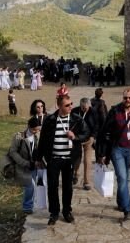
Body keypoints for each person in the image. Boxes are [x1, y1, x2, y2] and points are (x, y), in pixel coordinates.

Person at [34, 94, 89, 226]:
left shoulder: (76, 119)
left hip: (69, 159)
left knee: (67, 187)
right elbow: (42, 140)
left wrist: (75, 137)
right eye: (67, 105)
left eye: (71, 104)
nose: (71, 107)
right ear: (59, 106)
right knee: (52, 187)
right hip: (53, 159)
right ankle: (54, 213)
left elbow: (86, 133)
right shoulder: (50, 120)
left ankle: (67, 211)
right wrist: (38, 157)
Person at [96, 88, 130, 221]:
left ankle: (120, 202)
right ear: (122, 98)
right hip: (116, 149)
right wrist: (102, 153)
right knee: (122, 177)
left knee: (125, 179)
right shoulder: (114, 111)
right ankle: (127, 208)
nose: (127, 100)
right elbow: (104, 131)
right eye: (125, 98)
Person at [8, 118, 41, 214]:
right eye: (34, 129)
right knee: (29, 186)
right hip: (23, 166)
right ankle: (27, 207)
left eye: (38, 129)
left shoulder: (38, 135)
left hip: (34, 165)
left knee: (34, 186)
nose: (36, 131)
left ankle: (31, 204)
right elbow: (13, 152)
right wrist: (25, 163)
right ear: (29, 127)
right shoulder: (19, 136)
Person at [71, 98, 96, 190]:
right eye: (82, 107)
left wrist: (93, 137)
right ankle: (76, 173)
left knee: (87, 160)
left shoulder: (94, 113)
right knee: (76, 159)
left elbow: (96, 125)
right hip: (77, 139)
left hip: (88, 139)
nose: (84, 109)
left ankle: (86, 181)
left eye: (85, 108)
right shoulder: (74, 111)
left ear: (89, 106)